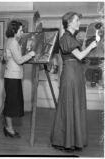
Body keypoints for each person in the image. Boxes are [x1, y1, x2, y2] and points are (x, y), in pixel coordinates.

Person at [50, 12, 97, 152]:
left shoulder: (70, 38)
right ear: (69, 22)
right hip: (70, 75)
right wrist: (92, 46)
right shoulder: (66, 37)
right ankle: (66, 142)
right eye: (76, 20)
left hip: (74, 74)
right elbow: (80, 55)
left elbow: (80, 58)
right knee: (70, 106)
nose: (78, 23)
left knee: (74, 106)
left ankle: (73, 140)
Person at [3, 20, 35, 138]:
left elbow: (6, 58)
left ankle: (9, 127)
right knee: (10, 104)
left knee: (10, 104)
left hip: (10, 76)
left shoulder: (9, 41)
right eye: (21, 30)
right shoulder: (13, 43)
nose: (22, 32)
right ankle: (9, 129)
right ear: (14, 31)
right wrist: (31, 54)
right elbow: (19, 60)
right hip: (13, 77)